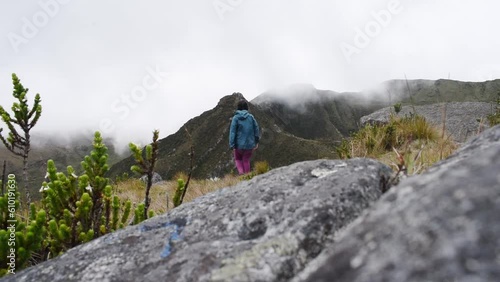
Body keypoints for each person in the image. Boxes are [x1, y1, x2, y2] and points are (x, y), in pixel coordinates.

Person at [229, 99, 260, 174]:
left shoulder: (235, 118)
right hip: (249, 145)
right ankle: (247, 177)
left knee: (238, 159)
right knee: (246, 160)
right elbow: (256, 129)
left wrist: (232, 145)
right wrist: (256, 141)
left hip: (238, 145)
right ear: (247, 108)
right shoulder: (251, 117)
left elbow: (232, 132)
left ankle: (241, 173)